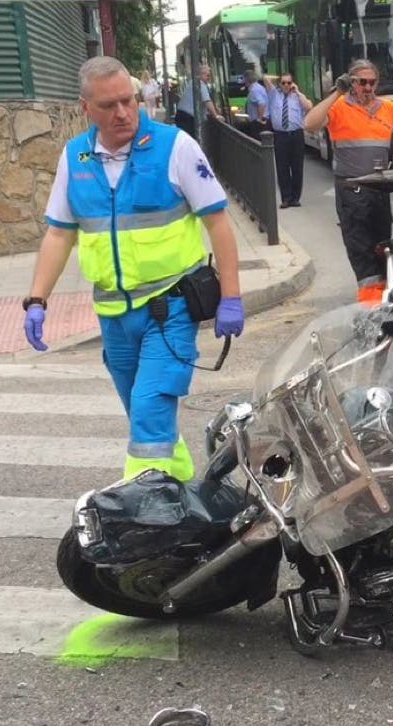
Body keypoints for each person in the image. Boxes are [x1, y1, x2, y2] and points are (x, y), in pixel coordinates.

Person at [22, 56, 244, 483]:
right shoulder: (75, 157)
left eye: (129, 100)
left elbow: (218, 221)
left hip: (171, 307)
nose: (123, 112)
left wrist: (232, 297)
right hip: (113, 315)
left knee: (149, 410)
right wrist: (37, 299)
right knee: (143, 416)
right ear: (86, 108)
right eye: (109, 105)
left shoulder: (174, 146)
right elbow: (58, 235)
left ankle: (147, 514)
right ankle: (180, 487)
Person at [304, 59, 393, 303]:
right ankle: (371, 308)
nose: (368, 87)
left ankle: (382, 302)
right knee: (361, 254)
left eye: (372, 82)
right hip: (351, 192)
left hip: (379, 192)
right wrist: (336, 93)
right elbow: (309, 124)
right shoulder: (339, 107)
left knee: (381, 249)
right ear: (352, 83)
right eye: (362, 83)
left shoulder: (387, 109)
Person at [264, 71, 312, 208]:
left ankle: (295, 198)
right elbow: (266, 78)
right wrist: (278, 79)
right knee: (282, 167)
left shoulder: (298, 97)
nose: (286, 85)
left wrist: (297, 91)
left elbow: (308, 107)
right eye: (283, 82)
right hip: (280, 135)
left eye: (289, 82)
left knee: (297, 167)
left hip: (296, 134)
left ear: (293, 83)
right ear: (280, 84)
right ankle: (286, 198)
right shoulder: (274, 95)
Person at [174, 64, 221, 137]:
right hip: (187, 118)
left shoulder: (193, 82)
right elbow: (207, 101)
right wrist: (216, 116)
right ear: (201, 74)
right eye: (207, 75)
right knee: (190, 139)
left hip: (182, 115)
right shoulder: (200, 84)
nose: (209, 78)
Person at [244, 69, 269, 139]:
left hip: (258, 124)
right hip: (264, 121)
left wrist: (259, 119)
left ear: (246, 80)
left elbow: (261, 103)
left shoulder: (254, 90)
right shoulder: (260, 87)